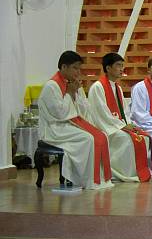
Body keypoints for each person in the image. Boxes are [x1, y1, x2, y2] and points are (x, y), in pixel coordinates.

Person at [38, 51, 113, 189]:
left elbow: (83, 110)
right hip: (54, 128)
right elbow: (59, 113)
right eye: (75, 68)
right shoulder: (51, 86)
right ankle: (85, 179)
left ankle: (100, 178)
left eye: (79, 68)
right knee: (88, 138)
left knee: (102, 135)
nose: (78, 72)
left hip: (69, 124)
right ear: (64, 67)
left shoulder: (73, 83)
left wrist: (77, 92)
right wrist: (71, 93)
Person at [88, 53, 151, 182]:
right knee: (126, 139)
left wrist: (129, 124)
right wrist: (122, 126)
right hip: (105, 128)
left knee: (143, 137)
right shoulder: (97, 87)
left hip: (117, 124)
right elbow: (101, 114)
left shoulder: (118, 88)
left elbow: (124, 112)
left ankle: (137, 171)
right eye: (118, 65)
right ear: (108, 68)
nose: (122, 69)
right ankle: (121, 174)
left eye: (122, 65)